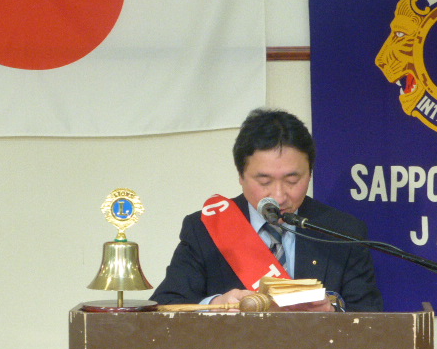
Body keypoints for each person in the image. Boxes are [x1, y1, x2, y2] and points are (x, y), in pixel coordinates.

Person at [152, 108, 383, 312]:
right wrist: (214, 306)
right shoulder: (206, 228)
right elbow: (166, 305)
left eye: (292, 180)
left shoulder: (343, 232)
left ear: (310, 174)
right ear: (241, 176)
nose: (279, 196)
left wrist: (332, 312)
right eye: (264, 181)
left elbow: (370, 316)